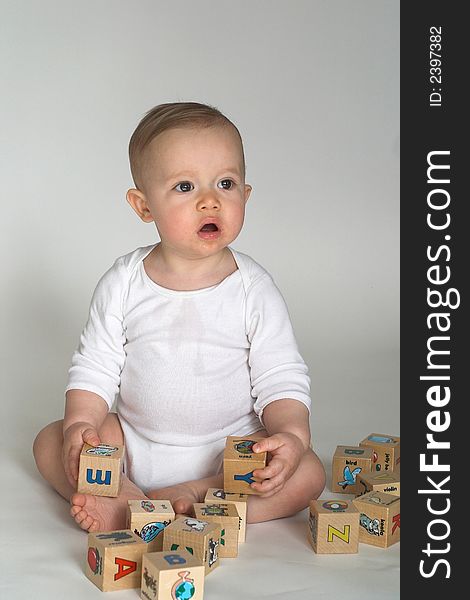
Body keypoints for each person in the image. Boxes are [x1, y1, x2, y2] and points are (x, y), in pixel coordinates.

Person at [33, 102, 325, 533]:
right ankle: (124, 493)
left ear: (244, 196)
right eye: (185, 187)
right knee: (49, 442)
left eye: (225, 183)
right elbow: (95, 367)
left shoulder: (253, 288)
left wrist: (292, 436)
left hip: (227, 457)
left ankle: (199, 496)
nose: (210, 200)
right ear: (144, 205)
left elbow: (280, 375)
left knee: (310, 474)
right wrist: (83, 426)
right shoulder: (124, 281)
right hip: (135, 444)